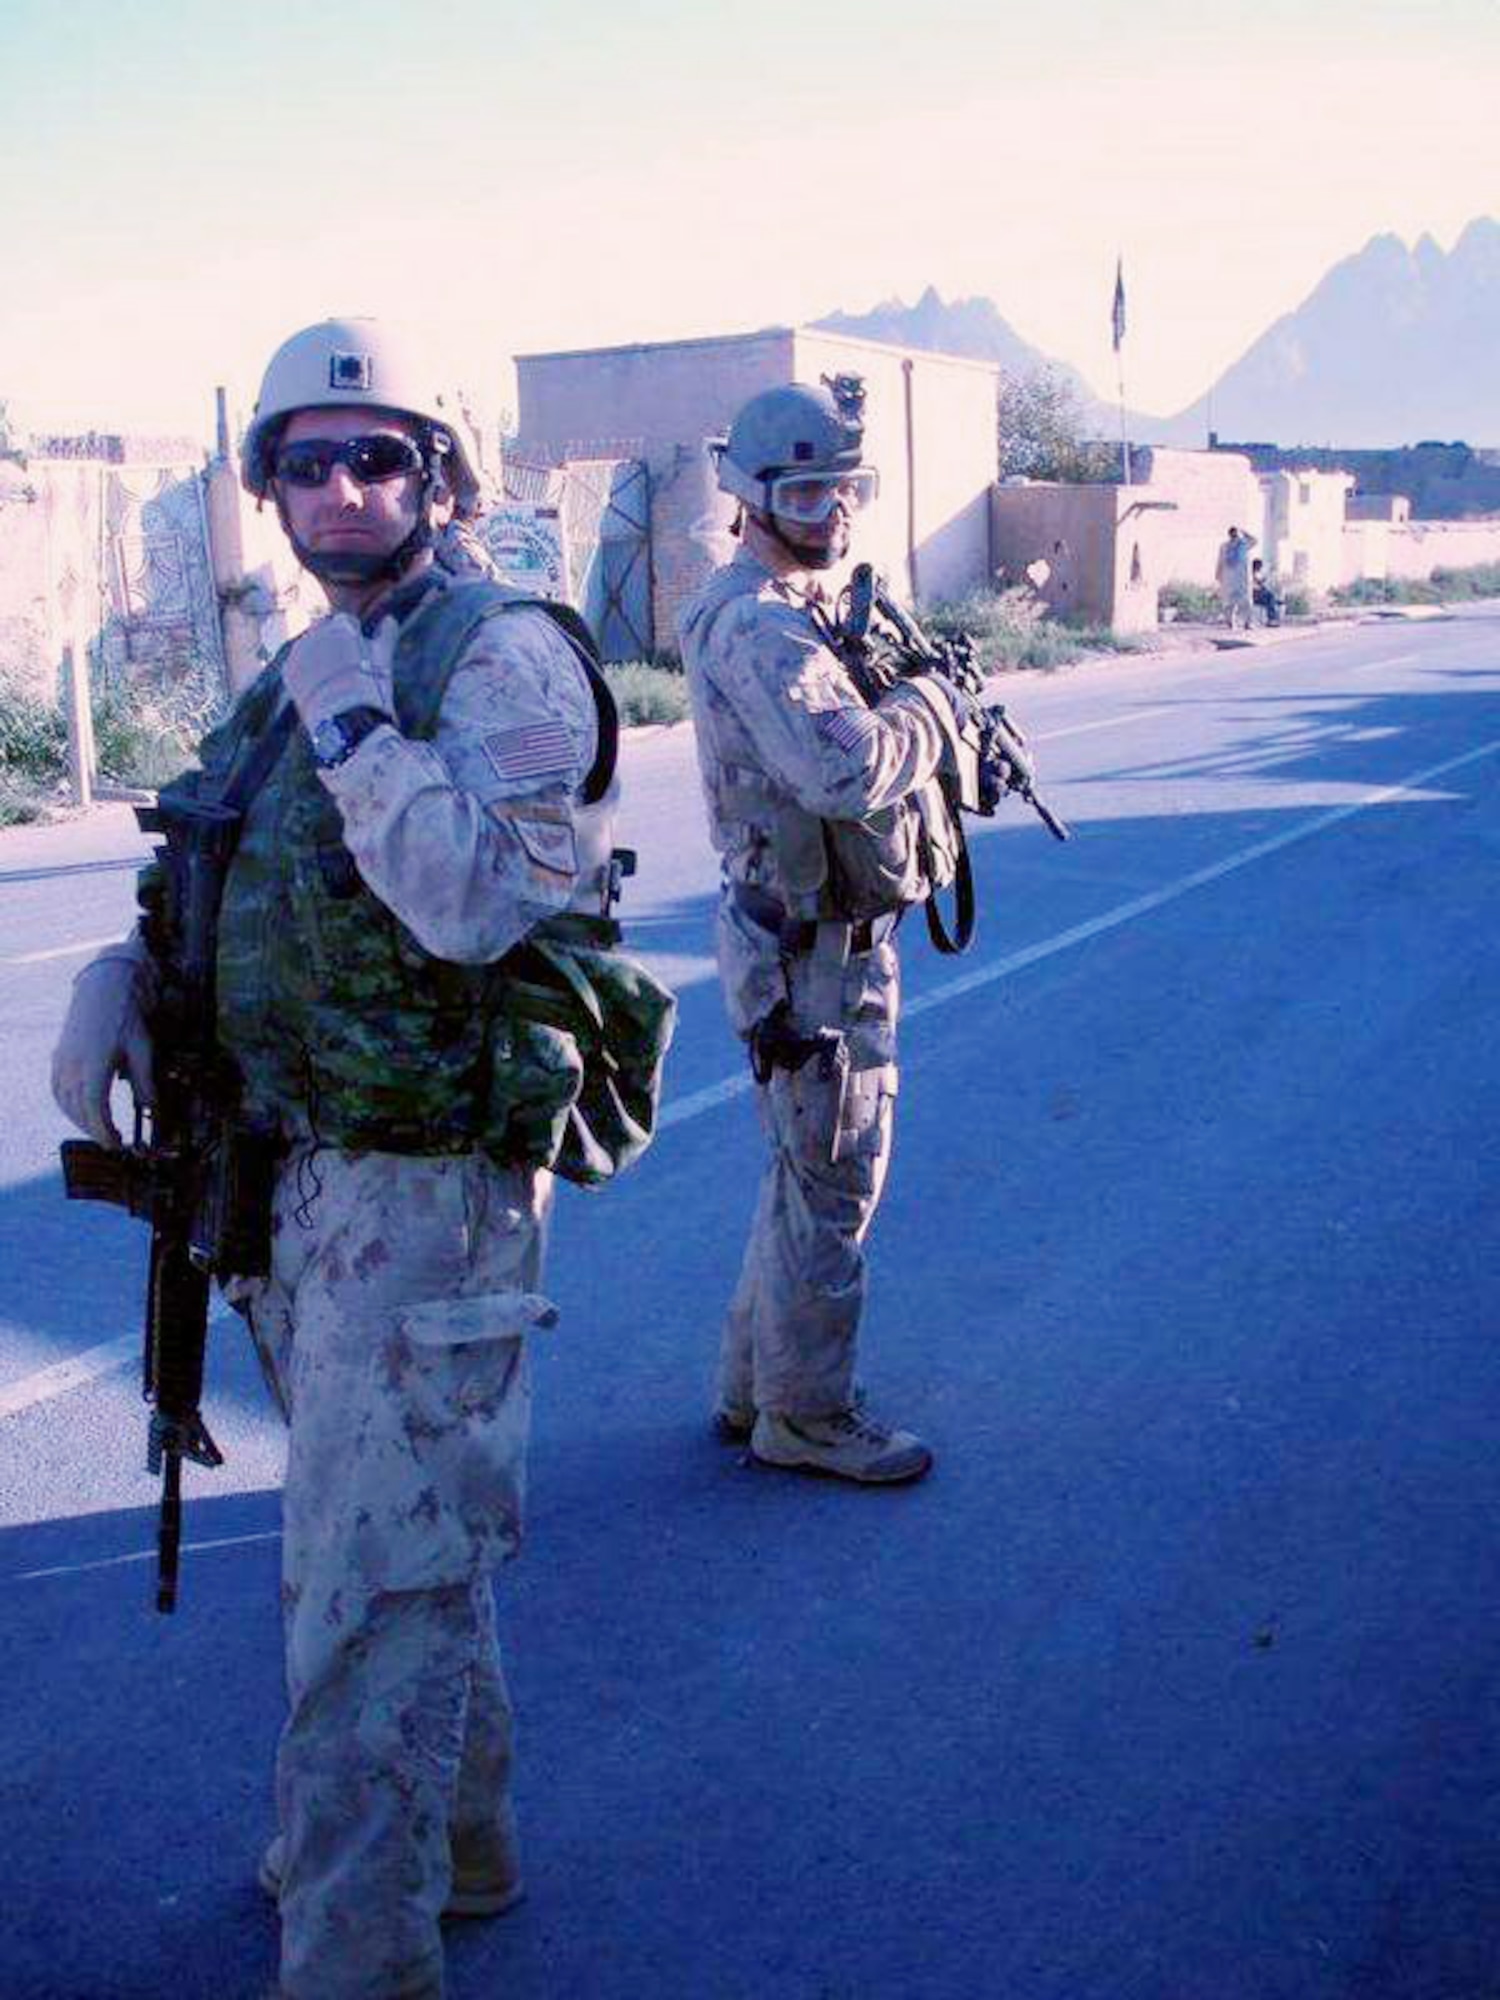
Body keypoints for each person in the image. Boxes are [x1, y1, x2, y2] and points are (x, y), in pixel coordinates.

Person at [51, 317, 658, 2000]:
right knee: (403, 1559)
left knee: (369, 1597)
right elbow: (230, 859)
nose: (337, 486)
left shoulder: (494, 654)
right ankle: (450, 1847)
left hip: (421, 1196)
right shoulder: (315, 653)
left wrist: (354, 727)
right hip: (292, 1184)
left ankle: (354, 1953)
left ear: (443, 473)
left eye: (375, 455)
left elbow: (474, 902)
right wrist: (122, 977)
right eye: (304, 462)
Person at [677, 377, 978, 1486]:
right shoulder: (761, 623)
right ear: (751, 498)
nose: (833, 509)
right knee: (837, 1175)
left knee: (801, 1173)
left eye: (846, 486)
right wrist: (934, 709)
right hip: (812, 959)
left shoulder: (787, 605)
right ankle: (809, 1415)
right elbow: (844, 766)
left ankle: (755, 1387)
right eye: (806, 490)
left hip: (801, 940)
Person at [1216, 524, 1258, 630]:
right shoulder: (1224, 546)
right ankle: (1230, 622)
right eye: (1232, 533)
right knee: (1229, 602)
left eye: (1236, 533)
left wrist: (1243, 530)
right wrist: (1218, 573)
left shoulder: (1244, 544)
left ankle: (1248, 623)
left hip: (1243, 578)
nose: (1234, 536)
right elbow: (1220, 560)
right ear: (1229, 535)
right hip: (1229, 578)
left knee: (1246, 602)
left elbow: (1255, 540)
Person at [1251, 557, 1283, 627]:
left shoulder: (1255, 573)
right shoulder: (1251, 573)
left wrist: (1264, 579)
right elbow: (1258, 582)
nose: (1260, 568)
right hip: (1254, 596)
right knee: (1271, 597)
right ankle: (1272, 619)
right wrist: (1267, 575)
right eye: (1260, 566)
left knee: (1270, 597)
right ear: (1256, 566)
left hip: (1257, 594)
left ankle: (1272, 618)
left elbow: (1260, 582)